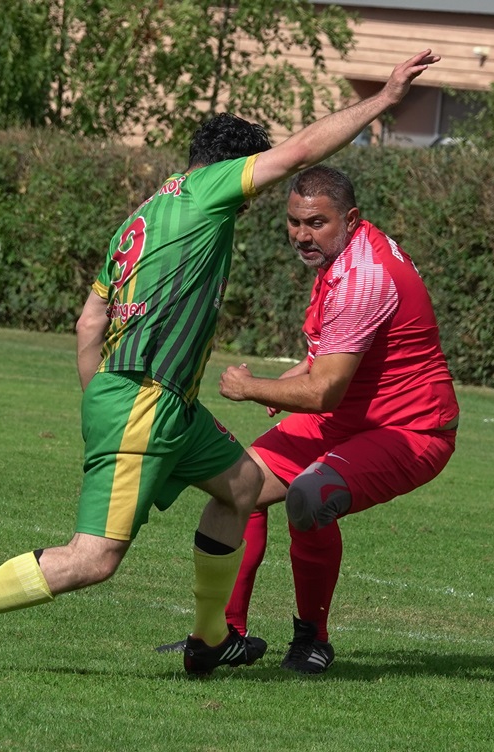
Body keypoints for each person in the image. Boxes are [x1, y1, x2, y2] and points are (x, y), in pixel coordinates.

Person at [0, 50, 441, 677]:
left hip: (163, 405)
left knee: (243, 489)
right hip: (143, 400)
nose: (252, 203)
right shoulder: (208, 191)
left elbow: (89, 323)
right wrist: (384, 100)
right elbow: (298, 153)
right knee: (94, 559)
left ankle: (211, 638)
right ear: (232, 169)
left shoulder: (141, 218)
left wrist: (97, 401)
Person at [161, 165, 459, 674]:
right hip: (347, 415)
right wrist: (298, 373)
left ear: (351, 218)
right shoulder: (347, 251)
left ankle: (312, 639)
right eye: (294, 221)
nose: (302, 235)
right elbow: (345, 347)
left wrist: (251, 387)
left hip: (410, 429)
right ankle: (221, 634)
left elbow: (323, 392)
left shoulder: (364, 276)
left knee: (309, 498)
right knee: (237, 486)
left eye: (316, 223)